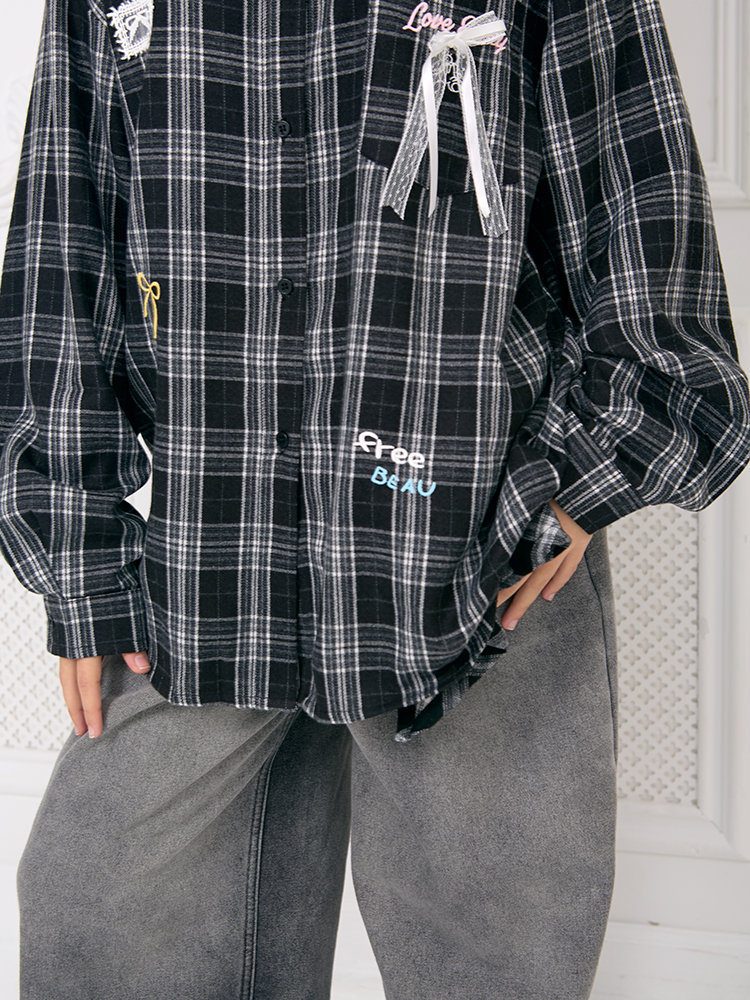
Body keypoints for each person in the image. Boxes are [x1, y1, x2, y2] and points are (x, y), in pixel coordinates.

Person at [0, 0, 748, 997]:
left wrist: (572, 489)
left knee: (492, 966)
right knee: (98, 914)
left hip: (479, 554)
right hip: (208, 561)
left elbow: (646, 227)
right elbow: (64, 237)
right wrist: (79, 559)